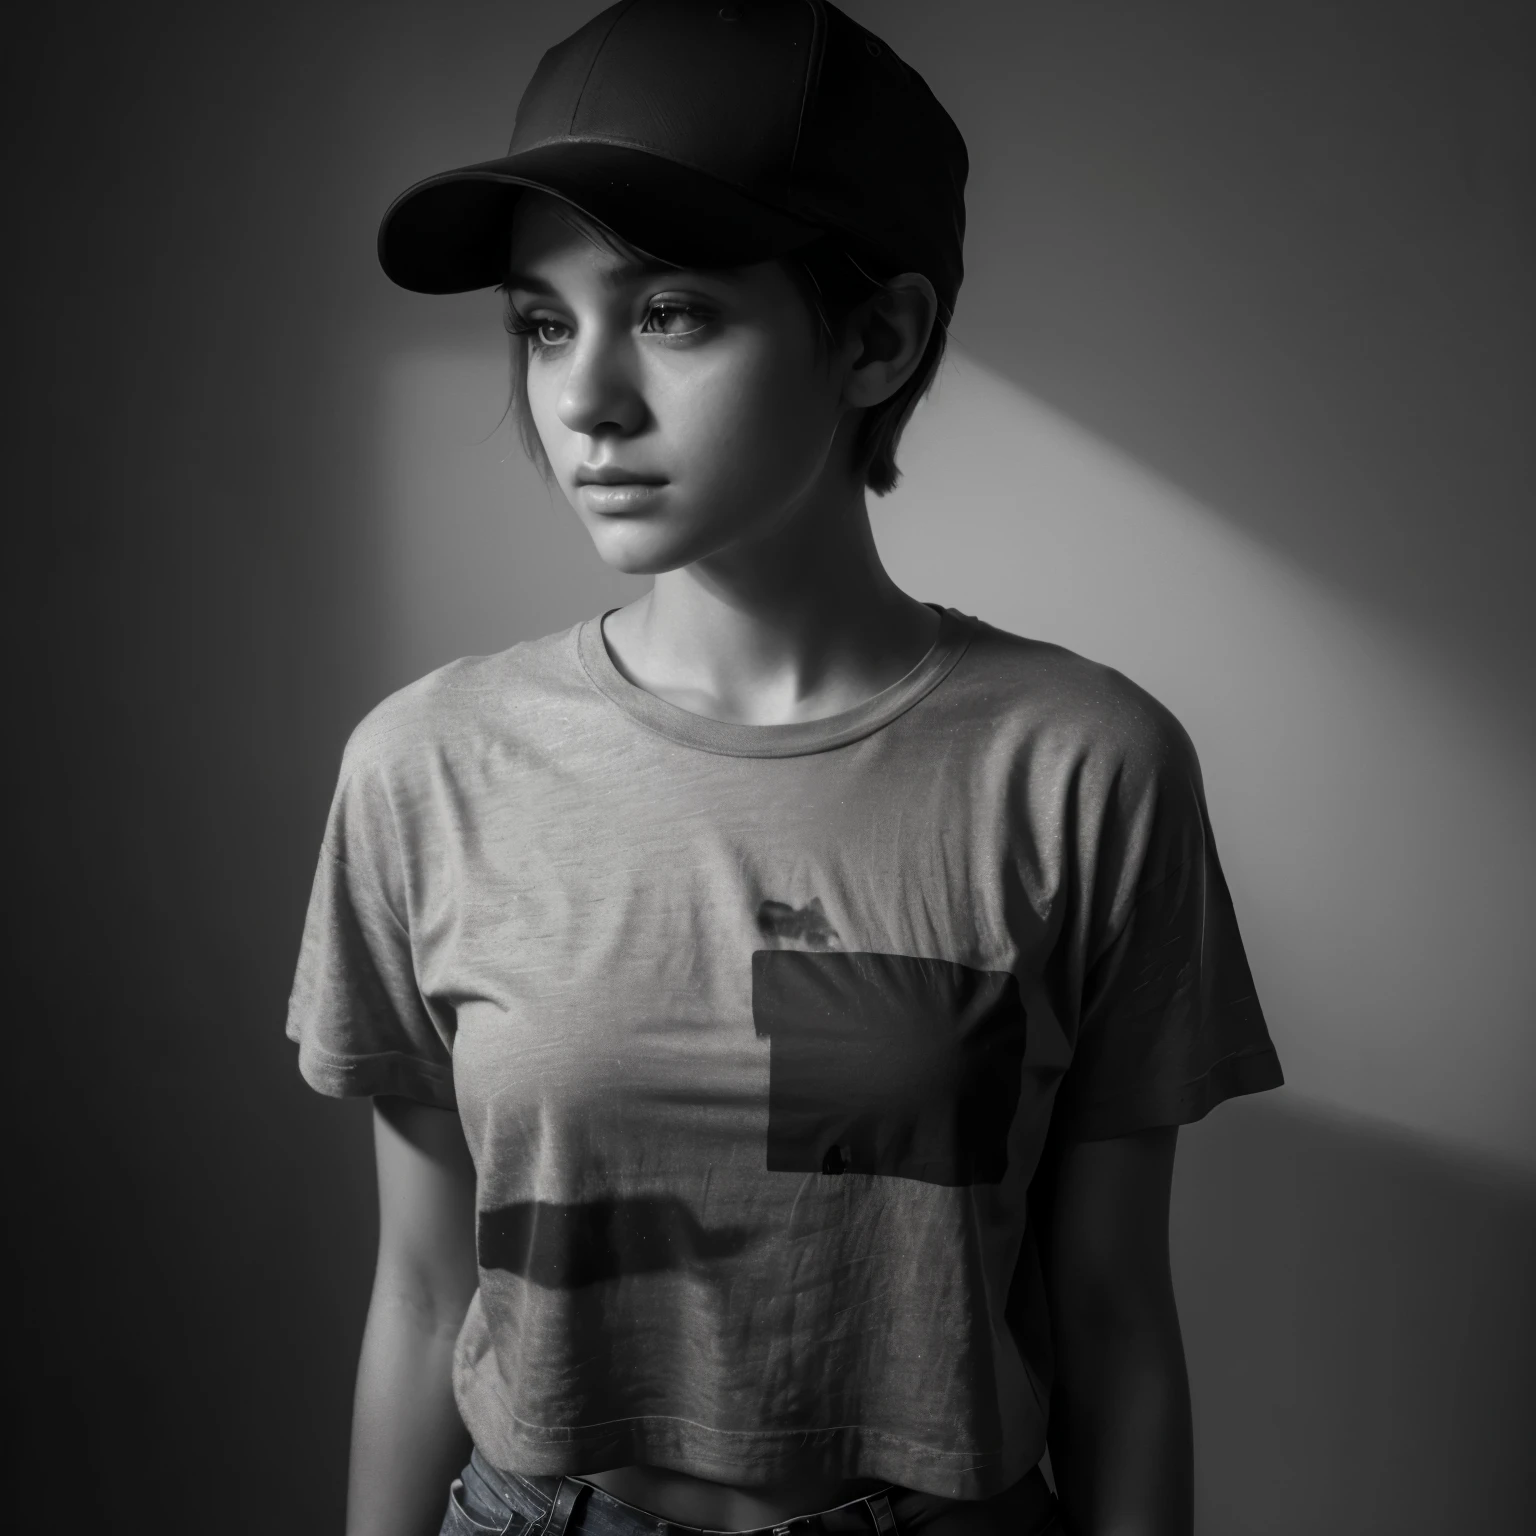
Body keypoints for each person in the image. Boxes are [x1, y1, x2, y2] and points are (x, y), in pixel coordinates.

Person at [285, 4, 1285, 1535]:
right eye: (544, 322)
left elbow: (1114, 1327)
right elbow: (423, 1297)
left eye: (672, 311)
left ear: (878, 335)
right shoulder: (427, 767)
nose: (582, 398)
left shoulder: (1085, 768)